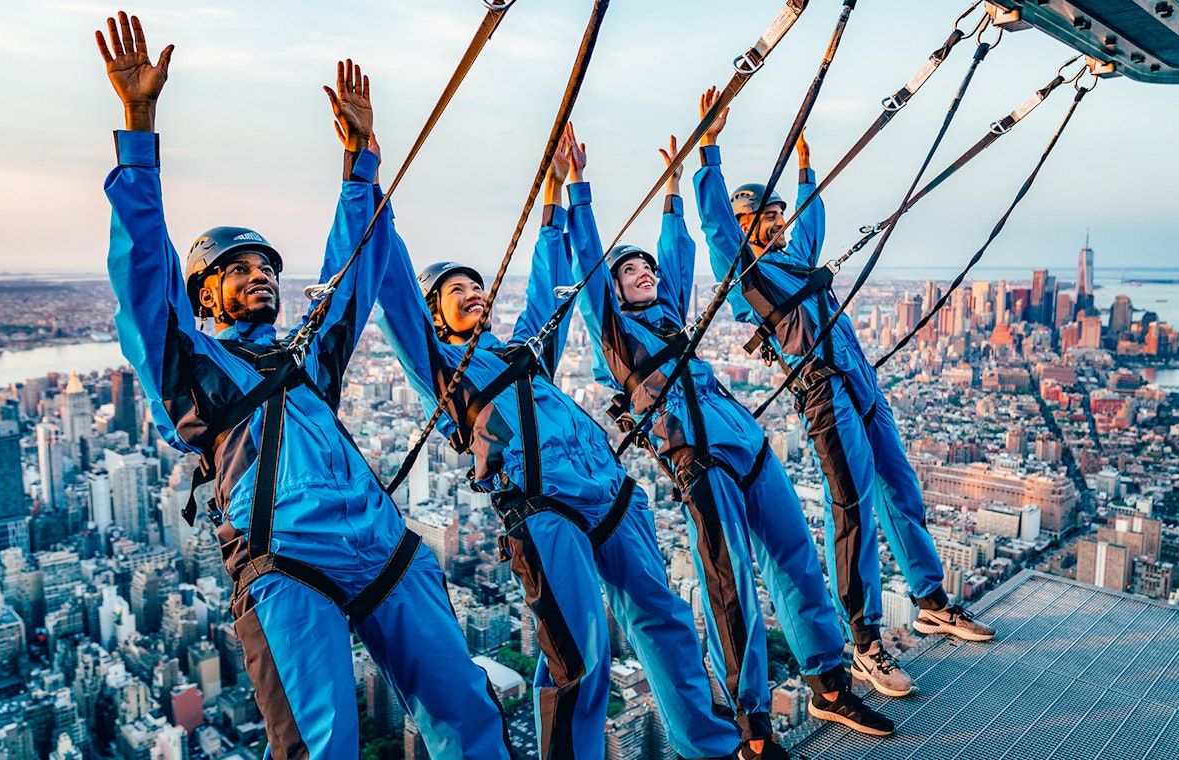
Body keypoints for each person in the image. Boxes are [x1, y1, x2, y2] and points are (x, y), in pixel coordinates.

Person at [98, 13, 511, 758]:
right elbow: (145, 284)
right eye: (240, 270)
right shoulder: (197, 369)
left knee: (471, 713)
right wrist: (139, 134)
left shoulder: (306, 358)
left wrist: (361, 163)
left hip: (384, 547)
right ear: (206, 296)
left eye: (269, 270)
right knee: (323, 748)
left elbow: (352, 270)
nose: (262, 276)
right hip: (285, 558)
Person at [373, 132, 743, 760]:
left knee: (668, 620)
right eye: (456, 291)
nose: (474, 293)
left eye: (477, 285)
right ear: (436, 315)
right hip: (542, 507)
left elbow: (548, 285)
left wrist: (559, 193)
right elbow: (398, 304)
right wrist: (375, 201)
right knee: (582, 653)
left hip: (607, 491)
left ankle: (709, 745)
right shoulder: (446, 373)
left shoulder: (525, 352)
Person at [560, 123, 894, 750]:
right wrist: (579, 190)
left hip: (746, 443)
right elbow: (589, 267)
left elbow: (679, 251)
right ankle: (754, 731)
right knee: (732, 585)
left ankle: (828, 685)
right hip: (700, 460)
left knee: (795, 559)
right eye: (629, 270)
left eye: (645, 268)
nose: (643, 273)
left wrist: (672, 189)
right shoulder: (616, 336)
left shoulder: (670, 314)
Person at [691, 87, 996, 699]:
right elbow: (719, 232)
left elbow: (814, 224)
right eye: (766, 218)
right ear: (747, 225)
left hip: (861, 380)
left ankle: (930, 597)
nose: (778, 225)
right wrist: (709, 152)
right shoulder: (747, 276)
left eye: (780, 216)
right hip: (825, 395)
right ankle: (866, 643)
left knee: (900, 487)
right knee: (853, 510)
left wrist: (807, 170)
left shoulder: (796, 261)